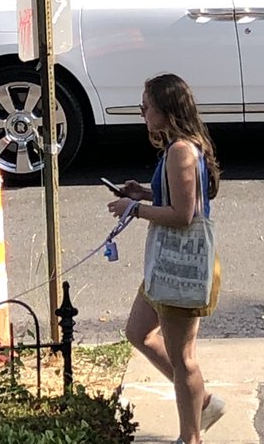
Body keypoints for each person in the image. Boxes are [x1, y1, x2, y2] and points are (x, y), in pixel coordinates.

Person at [108, 74, 225, 444]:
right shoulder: (181, 146)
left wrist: (135, 208)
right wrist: (142, 191)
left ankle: (190, 436)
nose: (142, 111)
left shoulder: (180, 151)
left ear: (167, 109)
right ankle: (201, 401)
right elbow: (177, 196)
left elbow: (183, 215)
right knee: (138, 332)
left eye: (148, 105)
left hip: (181, 266)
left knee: (183, 356)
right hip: (166, 264)